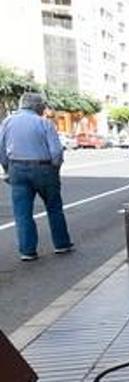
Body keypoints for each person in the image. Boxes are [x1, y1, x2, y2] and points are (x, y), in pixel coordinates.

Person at [0, 93, 73, 261]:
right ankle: (61, 244)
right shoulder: (44, 123)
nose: (43, 108)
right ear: (37, 106)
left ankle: (27, 250)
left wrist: (7, 169)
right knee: (54, 207)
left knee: (22, 212)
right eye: (42, 105)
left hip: (17, 167)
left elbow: (2, 150)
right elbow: (56, 151)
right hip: (43, 167)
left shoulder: (7, 122)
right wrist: (55, 168)